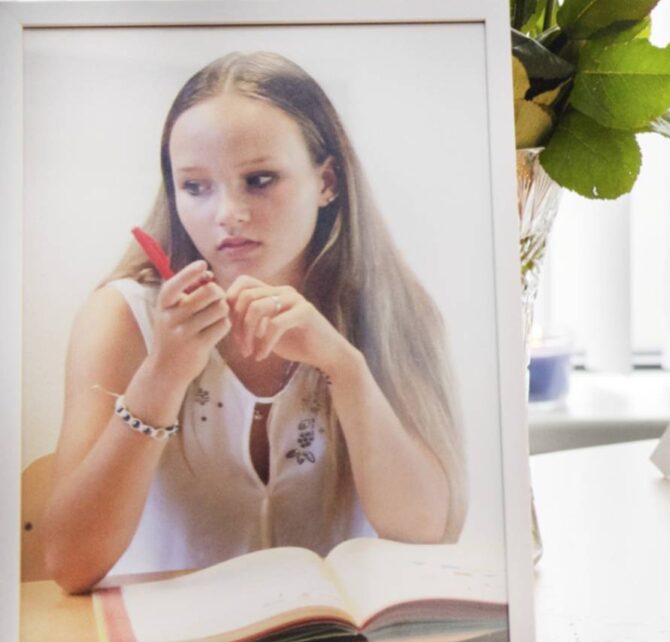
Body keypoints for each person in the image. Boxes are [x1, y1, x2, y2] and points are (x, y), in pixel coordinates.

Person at [38, 52, 466, 593]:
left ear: (327, 181)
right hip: (174, 641)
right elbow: (69, 564)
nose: (227, 214)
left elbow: (424, 534)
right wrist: (163, 373)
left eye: (259, 180)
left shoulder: (391, 309)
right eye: (195, 187)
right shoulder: (121, 317)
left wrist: (344, 367)